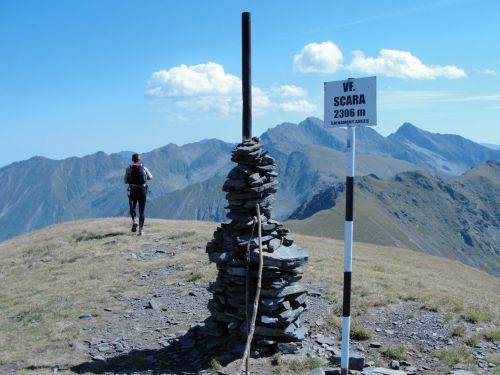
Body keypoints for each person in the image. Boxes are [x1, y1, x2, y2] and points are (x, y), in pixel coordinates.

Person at [124, 153, 153, 236]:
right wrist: (146, 173)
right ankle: (141, 230)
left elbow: (125, 181)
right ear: (139, 159)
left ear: (132, 160)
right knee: (142, 211)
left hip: (133, 190)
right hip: (142, 190)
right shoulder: (144, 167)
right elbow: (151, 177)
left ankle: (134, 221)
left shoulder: (129, 169)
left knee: (132, 208)